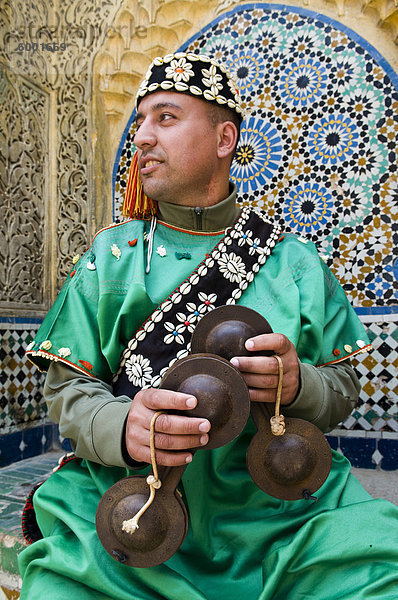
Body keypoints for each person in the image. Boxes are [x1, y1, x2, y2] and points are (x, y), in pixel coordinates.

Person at [19, 52, 398, 599]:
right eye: (140, 121)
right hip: (134, 508)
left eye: (166, 118)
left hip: (282, 518)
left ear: (224, 140)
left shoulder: (295, 263)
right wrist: (122, 425)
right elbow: (66, 389)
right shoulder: (113, 257)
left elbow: (342, 389)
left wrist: (298, 386)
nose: (142, 138)